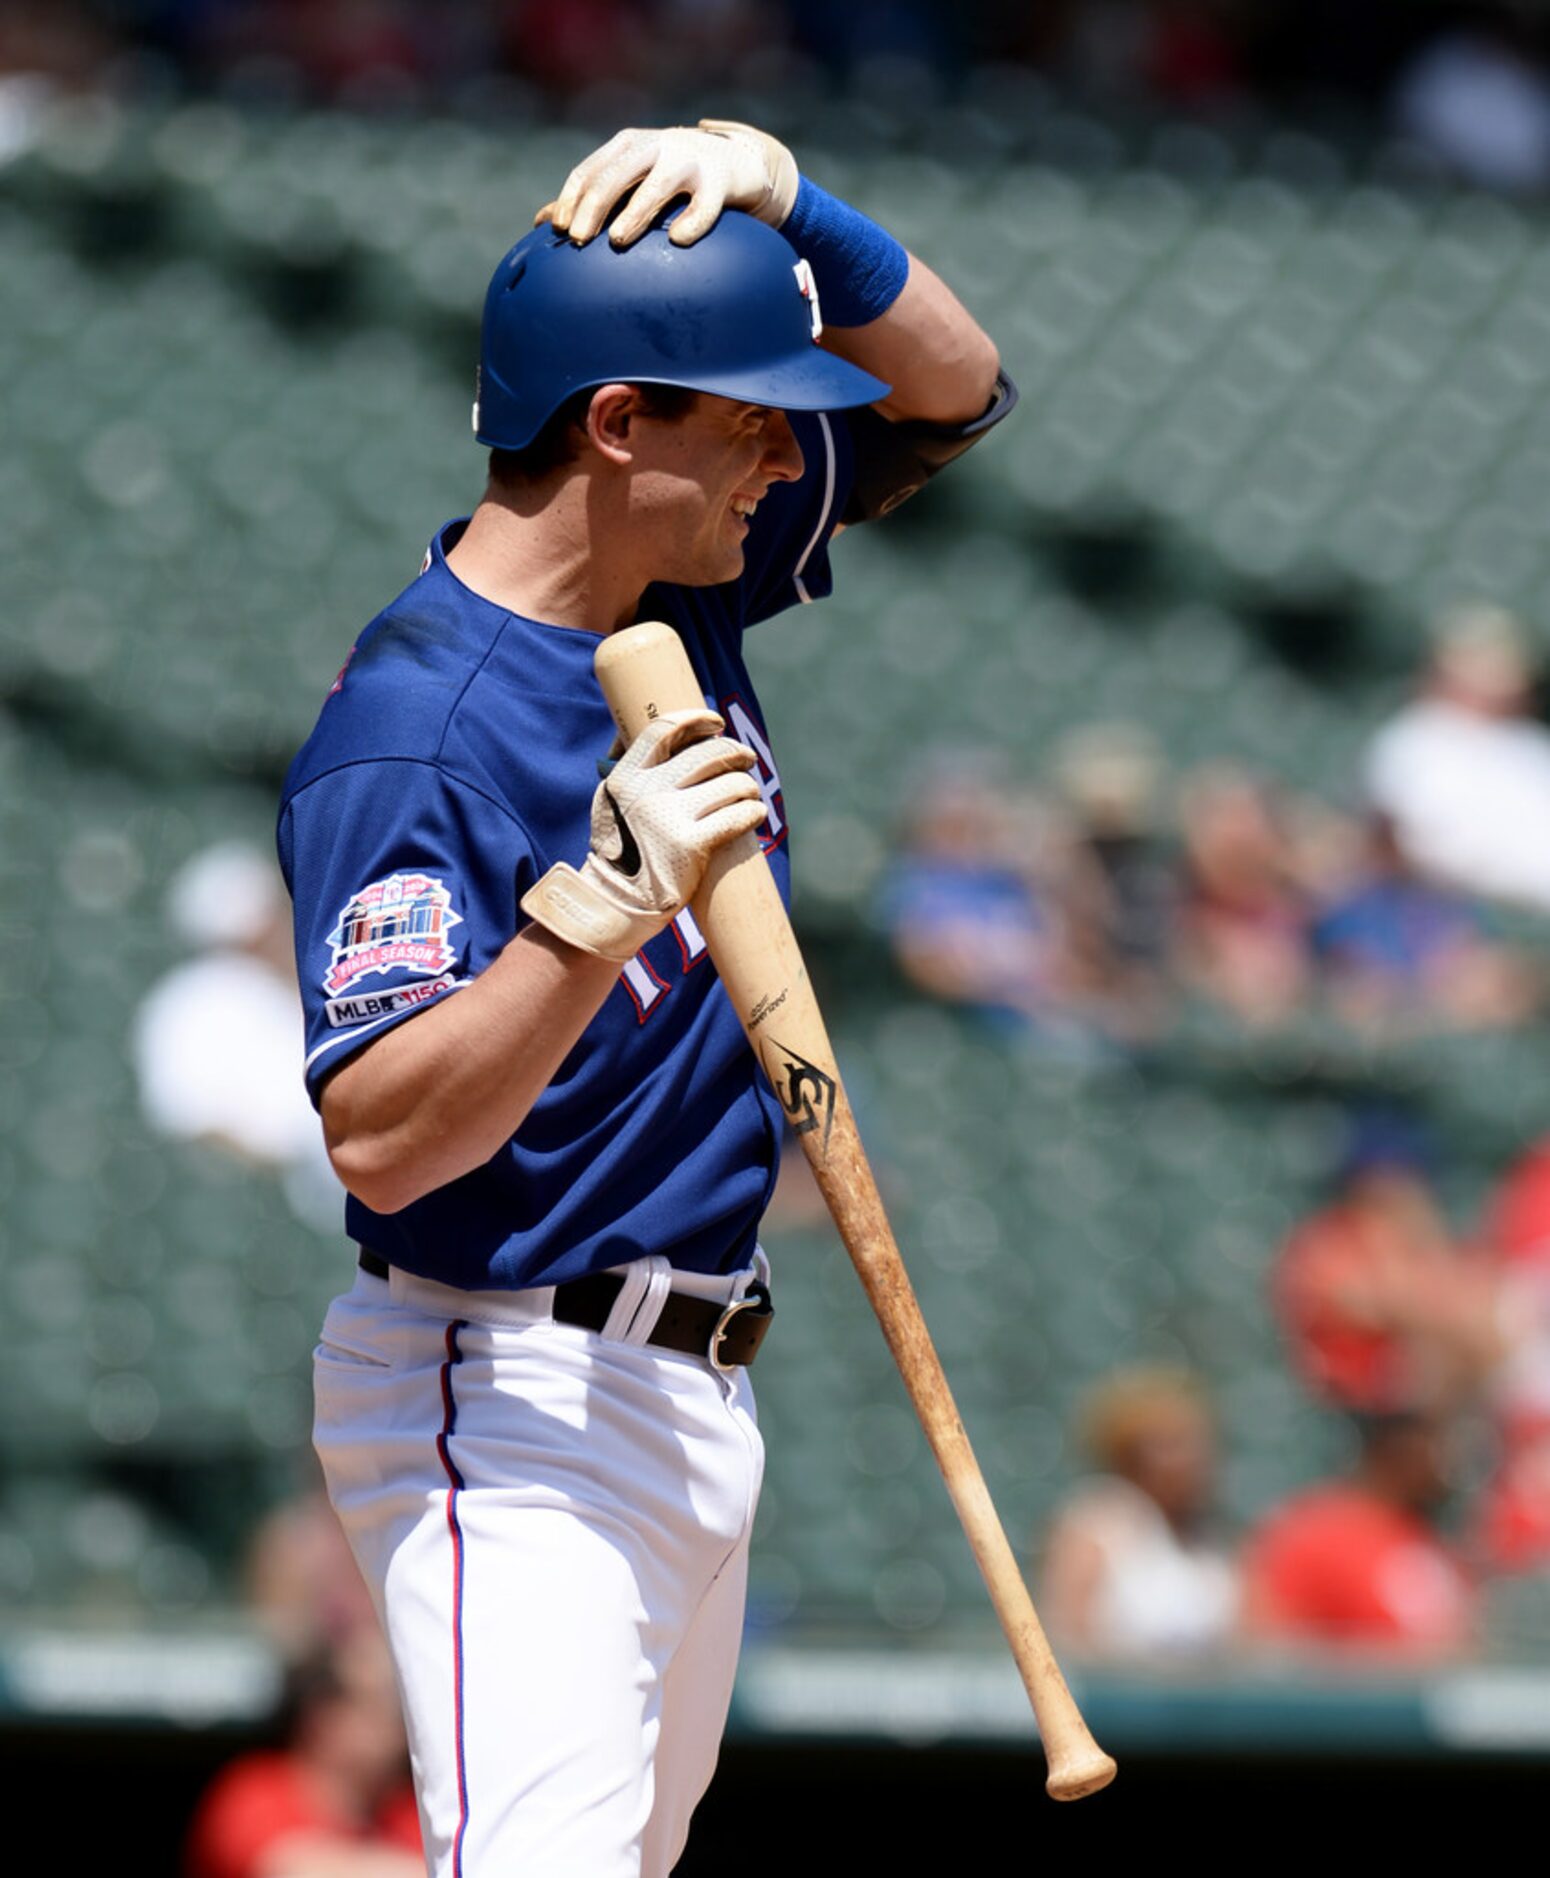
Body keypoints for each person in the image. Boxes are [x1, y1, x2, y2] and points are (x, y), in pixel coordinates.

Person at [278, 121, 1009, 1875]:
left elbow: (959, 391)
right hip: (509, 1387)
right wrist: (595, 905)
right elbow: (377, 1139)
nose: (785, 452)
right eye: (750, 415)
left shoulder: (681, 577)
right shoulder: (416, 733)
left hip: (690, 1393)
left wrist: (788, 194)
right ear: (620, 421)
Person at [1036, 1366, 1239, 1661]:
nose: (1191, 1461)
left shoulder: (1208, 1542)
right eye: (1170, 1445)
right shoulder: (1097, 1526)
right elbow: (1064, 1640)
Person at [183, 1631, 423, 1878]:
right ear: (323, 1716)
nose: (401, 1722)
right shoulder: (253, 1791)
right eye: (383, 1703)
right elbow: (289, 1870)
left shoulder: (406, 1812)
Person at [1242, 1411, 1478, 1660]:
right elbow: (1270, 1637)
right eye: (1430, 1452)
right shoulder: (1319, 1530)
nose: (1441, 1470)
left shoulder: (1428, 1541)